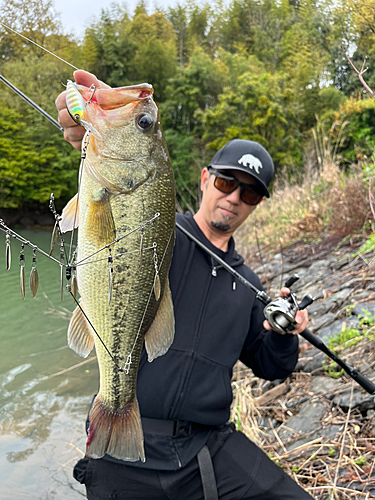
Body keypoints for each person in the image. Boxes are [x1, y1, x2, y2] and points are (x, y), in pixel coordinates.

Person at [56, 71, 313, 500]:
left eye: (249, 193)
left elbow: (272, 367)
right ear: (204, 179)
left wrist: (282, 335)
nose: (234, 197)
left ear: (258, 205)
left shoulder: (247, 285)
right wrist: (93, 122)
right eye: (227, 182)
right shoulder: (160, 232)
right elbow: (107, 205)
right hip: (128, 450)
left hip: (206, 450)